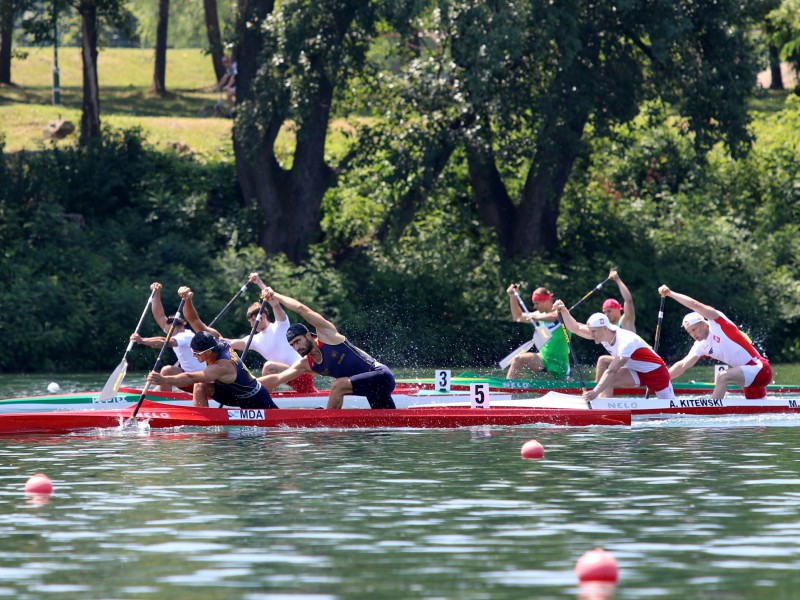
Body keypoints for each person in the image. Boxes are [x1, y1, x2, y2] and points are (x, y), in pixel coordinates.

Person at [257, 287, 396, 409]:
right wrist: (245, 384)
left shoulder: (328, 336)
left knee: (338, 385)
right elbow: (277, 379)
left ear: (308, 335)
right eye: (292, 344)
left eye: (298, 341)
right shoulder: (306, 364)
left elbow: (301, 309)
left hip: (382, 376)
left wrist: (275, 295)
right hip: (371, 389)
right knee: (385, 427)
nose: (296, 347)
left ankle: (328, 427)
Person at [147, 286, 280, 409]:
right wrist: (188, 299)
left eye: (197, 354)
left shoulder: (221, 366)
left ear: (209, 351)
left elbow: (191, 377)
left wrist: (164, 379)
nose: (194, 356)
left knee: (198, 381)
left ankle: (204, 421)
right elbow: (194, 321)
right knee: (200, 386)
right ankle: (201, 422)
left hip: (254, 398)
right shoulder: (216, 338)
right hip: (231, 393)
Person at [658, 286, 773, 399]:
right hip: (747, 377)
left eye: (694, 329)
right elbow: (682, 365)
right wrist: (660, 379)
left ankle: (711, 410)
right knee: (756, 413)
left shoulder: (717, 323)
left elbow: (695, 305)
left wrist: (670, 293)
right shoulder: (700, 346)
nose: (693, 334)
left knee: (723, 376)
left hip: (761, 369)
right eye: (689, 332)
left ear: (703, 323)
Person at [554, 300, 674, 401]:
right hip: (637, 371)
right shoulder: (602, 334)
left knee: (669, 414)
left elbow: (611, 370)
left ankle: (599, 400)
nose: (591, 335)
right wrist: (564, 310)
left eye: (594, 331)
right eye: (591, 331)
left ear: (605, 328)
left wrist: (595, 392)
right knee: (609, 380)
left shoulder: (626, 340)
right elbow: (576, 328)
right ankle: (603, 407)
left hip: (657, 373)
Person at [227, 273, 318, 393]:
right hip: (289, 377)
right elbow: (231, 343)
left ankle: (263, 399)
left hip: (302, 372)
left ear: (263, 316)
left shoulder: (281, 326)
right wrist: (209, 338)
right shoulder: (254, 339)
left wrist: (258, 281)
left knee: (269, 366)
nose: (251, 325)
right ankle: (263, 397)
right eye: (250, 322)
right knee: (261, 374)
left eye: (253, 321)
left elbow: (274, 304)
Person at [130, 282, 205, 392]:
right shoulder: (174, 331)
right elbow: (159, 315)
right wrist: (156, 293)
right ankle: (165, 398)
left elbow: (165, 342)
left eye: (170, 330)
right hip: (186, 376)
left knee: (165, 370)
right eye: (167, 329)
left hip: (201, 380)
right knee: (168, 370)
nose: (168, 331)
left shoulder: (186, 336)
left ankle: (165, 399)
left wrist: (142, 340)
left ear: (180, 328)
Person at [504, 284, 570, 380]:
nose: (535, 306)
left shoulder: (561, 312)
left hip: (560, 361)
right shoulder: (538, 314)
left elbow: (555, 317)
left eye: (537, 303)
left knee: (565, 386)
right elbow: (517, 317)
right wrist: (512, 297)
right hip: (544, 358)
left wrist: (537, 317)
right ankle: (508, 389)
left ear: (547, 301)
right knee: (517, 359)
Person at [595, 270, 637, 382]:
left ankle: (594, 390)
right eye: (604, 312)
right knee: (607, 369)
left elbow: (628, 300)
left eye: (609, 311)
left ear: (618, 309)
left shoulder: (625, 321)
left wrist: (618, 280)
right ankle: (601, 395)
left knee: (603, 360)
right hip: (623, 362)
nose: (606, 314)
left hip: (634, 360)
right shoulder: (607, 328)